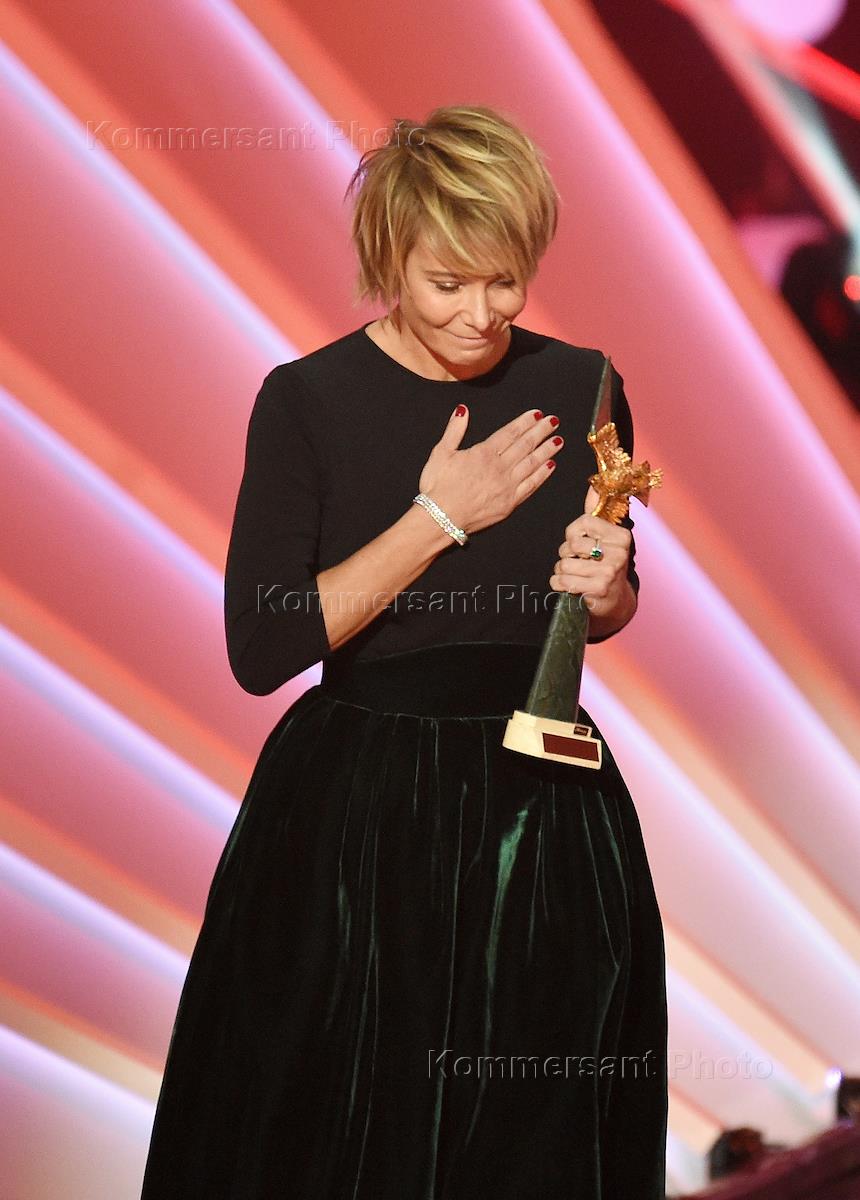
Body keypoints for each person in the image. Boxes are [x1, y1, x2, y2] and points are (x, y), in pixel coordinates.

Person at [140, 104, 668, 1199]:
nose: (481, 313)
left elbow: (603, 605)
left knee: (530, 1142)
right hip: (359, 824)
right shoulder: (308, 401)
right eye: (447, 283)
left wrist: (611, 588)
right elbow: (264, 644)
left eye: (505, 280)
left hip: (542, 817)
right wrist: (439, 518)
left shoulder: (582, 384)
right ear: (389, 261)